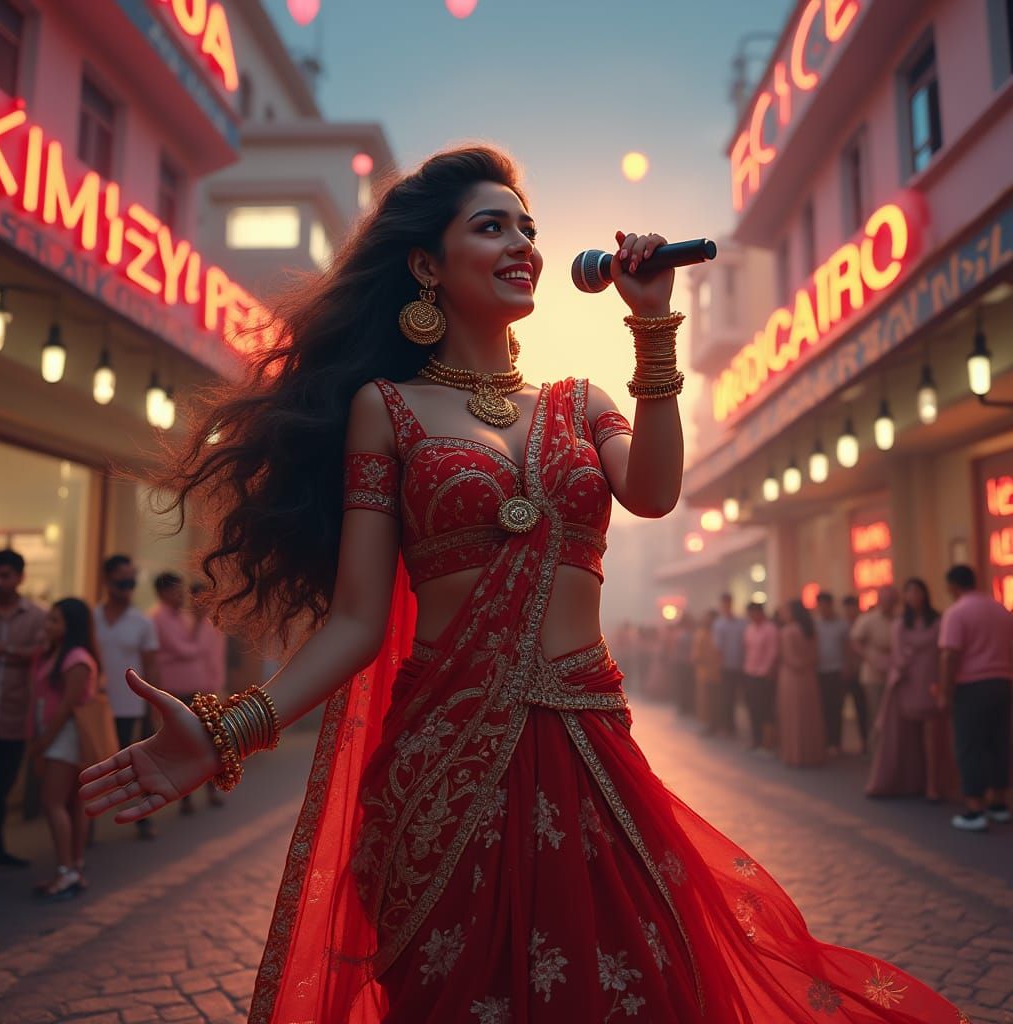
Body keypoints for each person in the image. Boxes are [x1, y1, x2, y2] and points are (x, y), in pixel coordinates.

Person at [79, 147, 963, 1021]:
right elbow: (355, 624)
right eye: (491, 226)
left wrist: (651, 322)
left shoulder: (578, 404)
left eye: (528, 228)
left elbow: (654, 493)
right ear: (427, 264)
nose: (522, 244)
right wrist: (230, 728)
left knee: (640, 987)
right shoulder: (384, 410)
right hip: (444, 766)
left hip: (592, 753)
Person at [27, 598, 100, 899]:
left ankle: (67, 871)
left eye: (55, 620)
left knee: (53, 803)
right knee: (69, 804)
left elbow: (68, 706)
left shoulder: (76, 658)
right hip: (57, 735)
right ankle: (72, 869)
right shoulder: (55, 653)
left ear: (71, 626)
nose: (48, 625)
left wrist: (44, 742)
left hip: (66, 736)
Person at [938, 564, 1013, 832]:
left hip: (971, 686)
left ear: (952, 586)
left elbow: (950, 655)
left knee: (969, 746)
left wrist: (945, 692)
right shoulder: (1000, 609)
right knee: (998, 743)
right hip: (1002, 683)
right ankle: (999, 804)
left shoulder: (957, 612)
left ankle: (974, 808)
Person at [866, 578, 955, 801]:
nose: (913, 597)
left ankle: (933, 784)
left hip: (930, 683)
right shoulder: (899, 624)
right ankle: (912, 781)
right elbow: (897, 655)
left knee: (931, 738)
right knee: (906, 738)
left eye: (916, 592)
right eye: (909, 592)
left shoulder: (938, 621)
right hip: (906, 683)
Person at [94, 554, 160, 840]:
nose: (127, 586)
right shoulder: (92, 618)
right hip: (97, 705)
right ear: (107, 581)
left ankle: (142, 818)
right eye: (122, 580)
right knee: (94, 764)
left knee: (134, 765)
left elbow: (151, 667)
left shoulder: (141, 622)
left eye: (131, 581)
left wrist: (154, 705)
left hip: (131, 705)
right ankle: (88, 826)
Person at [0, 549, 46, 868]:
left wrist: (2, 650)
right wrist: (17, 654)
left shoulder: (38, 617)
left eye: (5, 575)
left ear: (21, 577)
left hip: (14, 719)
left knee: (1, 788)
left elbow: (38, 654)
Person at [150, 572, 221, 813]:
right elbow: (187, 650)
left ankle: (210, 789)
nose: (181, 595)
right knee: (184, 742)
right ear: (162, 592)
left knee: (208, 738)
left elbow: (202, 652)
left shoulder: (187, 618)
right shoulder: (158, 618)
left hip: (198, 687)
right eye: (176, 590)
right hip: (175, 690)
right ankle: (185, 796)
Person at [776, 600, 826, 768]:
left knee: (794, 716)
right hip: (809, 677)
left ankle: (795, 753)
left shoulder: (787, 631)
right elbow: (815, 655)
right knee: (809, 715)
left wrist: (799, 665)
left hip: (792, 678)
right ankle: (812, 753)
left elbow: (789, 659)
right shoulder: (810, 630)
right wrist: (806, 665)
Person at [850, 585, 899, 742]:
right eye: (885, 600)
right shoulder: (868, 619)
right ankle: (876, 750)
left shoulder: (900, 619)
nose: (888, 603)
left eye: (891, 600)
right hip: (873, 673)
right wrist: (870, 657)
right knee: (876, 713)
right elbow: (855, 641)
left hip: (895, 671)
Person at [813, 592, 848, 756]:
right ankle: (825, 741)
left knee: (836, 707)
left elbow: (846, 646)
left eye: (826, 605)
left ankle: (836, 742)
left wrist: (846, 666)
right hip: (820, 671)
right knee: (822, 708)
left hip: (836, 670)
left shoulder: (841, 624)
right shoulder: (814, 625)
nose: (823, 609)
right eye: (820, 606)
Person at [743, 601, 778, 753]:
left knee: (766, 709)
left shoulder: (770, 629)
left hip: (764, 674)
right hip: (750, 673)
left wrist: (769, 670)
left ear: (760, 613)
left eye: (753, 613)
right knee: (753, 709)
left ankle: (767, 743)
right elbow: (748, 650)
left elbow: (773, 651)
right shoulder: (749, 629)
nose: (751, 616)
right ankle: (756, 740)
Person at [711, 592, 746, 737]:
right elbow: (718, 648)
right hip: (725, 666)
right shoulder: (719, 624)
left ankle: (732, 726)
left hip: (739, 665)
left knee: (735, 698)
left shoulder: (741, 623)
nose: (726, 605)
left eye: (728, 602)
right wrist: (718, 667)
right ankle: (727, 726)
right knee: (725, 697)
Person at [840, 594, 870, 754]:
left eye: (851, 608)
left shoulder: (864, 623)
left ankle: (866, 742)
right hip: (844, 673)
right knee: (839, 708)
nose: (848, 611)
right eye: (846, 609)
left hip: (861, 672)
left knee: (863, 708)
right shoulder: (842, 626)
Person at [691, 609, 721, 734]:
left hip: (714, 671)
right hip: (703, 671)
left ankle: (713, 724)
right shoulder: (701, 633)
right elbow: (696, 652)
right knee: (704, 700)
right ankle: (707, 723)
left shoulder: (716, 633)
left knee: (713, 700)